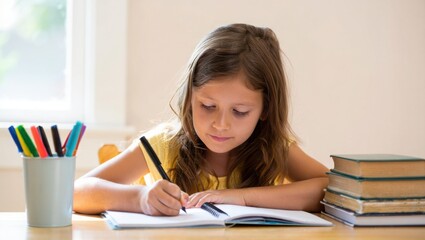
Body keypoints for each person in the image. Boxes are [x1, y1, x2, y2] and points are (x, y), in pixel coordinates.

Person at [73, 23, 329, 216]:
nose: (220, 124)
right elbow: (75, 194)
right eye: (207, 106)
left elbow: (334, 189)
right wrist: (139, 198)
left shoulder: (272, 147)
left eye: (239, 111)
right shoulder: (164, 145)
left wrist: (241, 198)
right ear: (189, 100)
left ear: (266, 109)